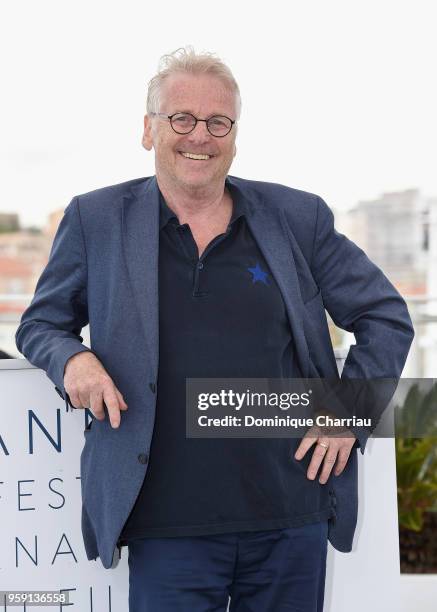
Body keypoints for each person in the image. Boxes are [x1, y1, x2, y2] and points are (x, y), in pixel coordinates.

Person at [15, 47, 414, 611]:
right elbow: (40, 325)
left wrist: (346, 412)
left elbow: (386, 316)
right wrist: (72, 360)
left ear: (234, 134)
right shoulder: (95, 219)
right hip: (165, 526)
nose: (199, 135)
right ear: (149, 130)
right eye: (181, 118)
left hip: (289, 518)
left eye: (217, 122)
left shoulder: (298, 217)